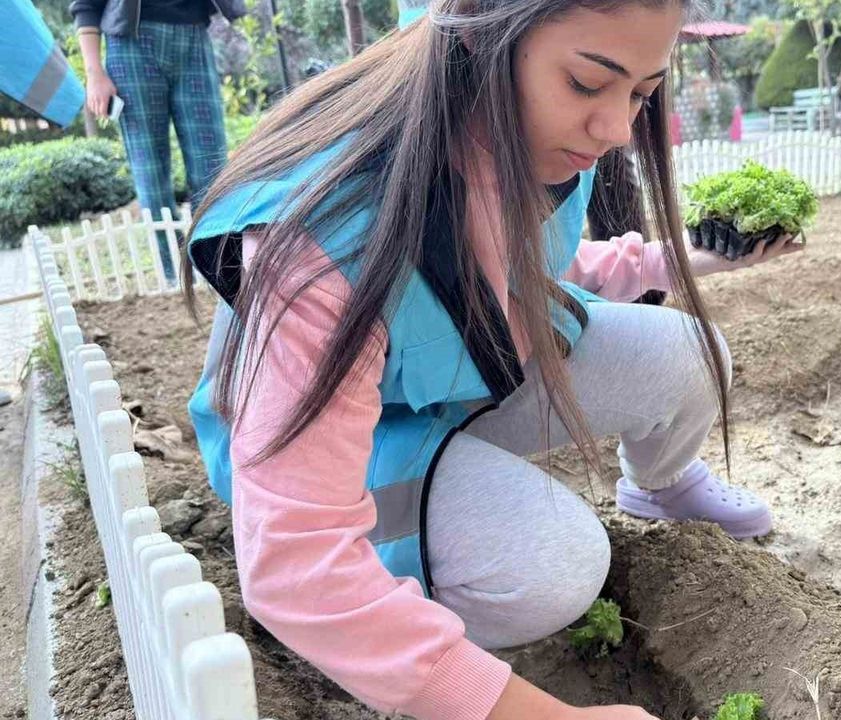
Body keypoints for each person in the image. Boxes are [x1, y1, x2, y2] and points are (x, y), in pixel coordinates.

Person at [182, 1, 802, 719]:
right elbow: (297, 563)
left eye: (639, 92)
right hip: (350, 448)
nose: (616, 129)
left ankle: (658, 485)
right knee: (551, 570)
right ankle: (377, 615)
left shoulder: (537, 137)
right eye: (586, 83)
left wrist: (678, 260)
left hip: (459, 383)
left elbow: (530, 263)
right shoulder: (320, 245)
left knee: (693, 351)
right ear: (481, 39)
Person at [70, 0, 244, 283]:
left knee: (212, 169)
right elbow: (86, 5)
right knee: (151, 174)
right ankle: (176, 276)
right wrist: (94, 73)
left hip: (194, 37)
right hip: (131, 45)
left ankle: (221, 272)